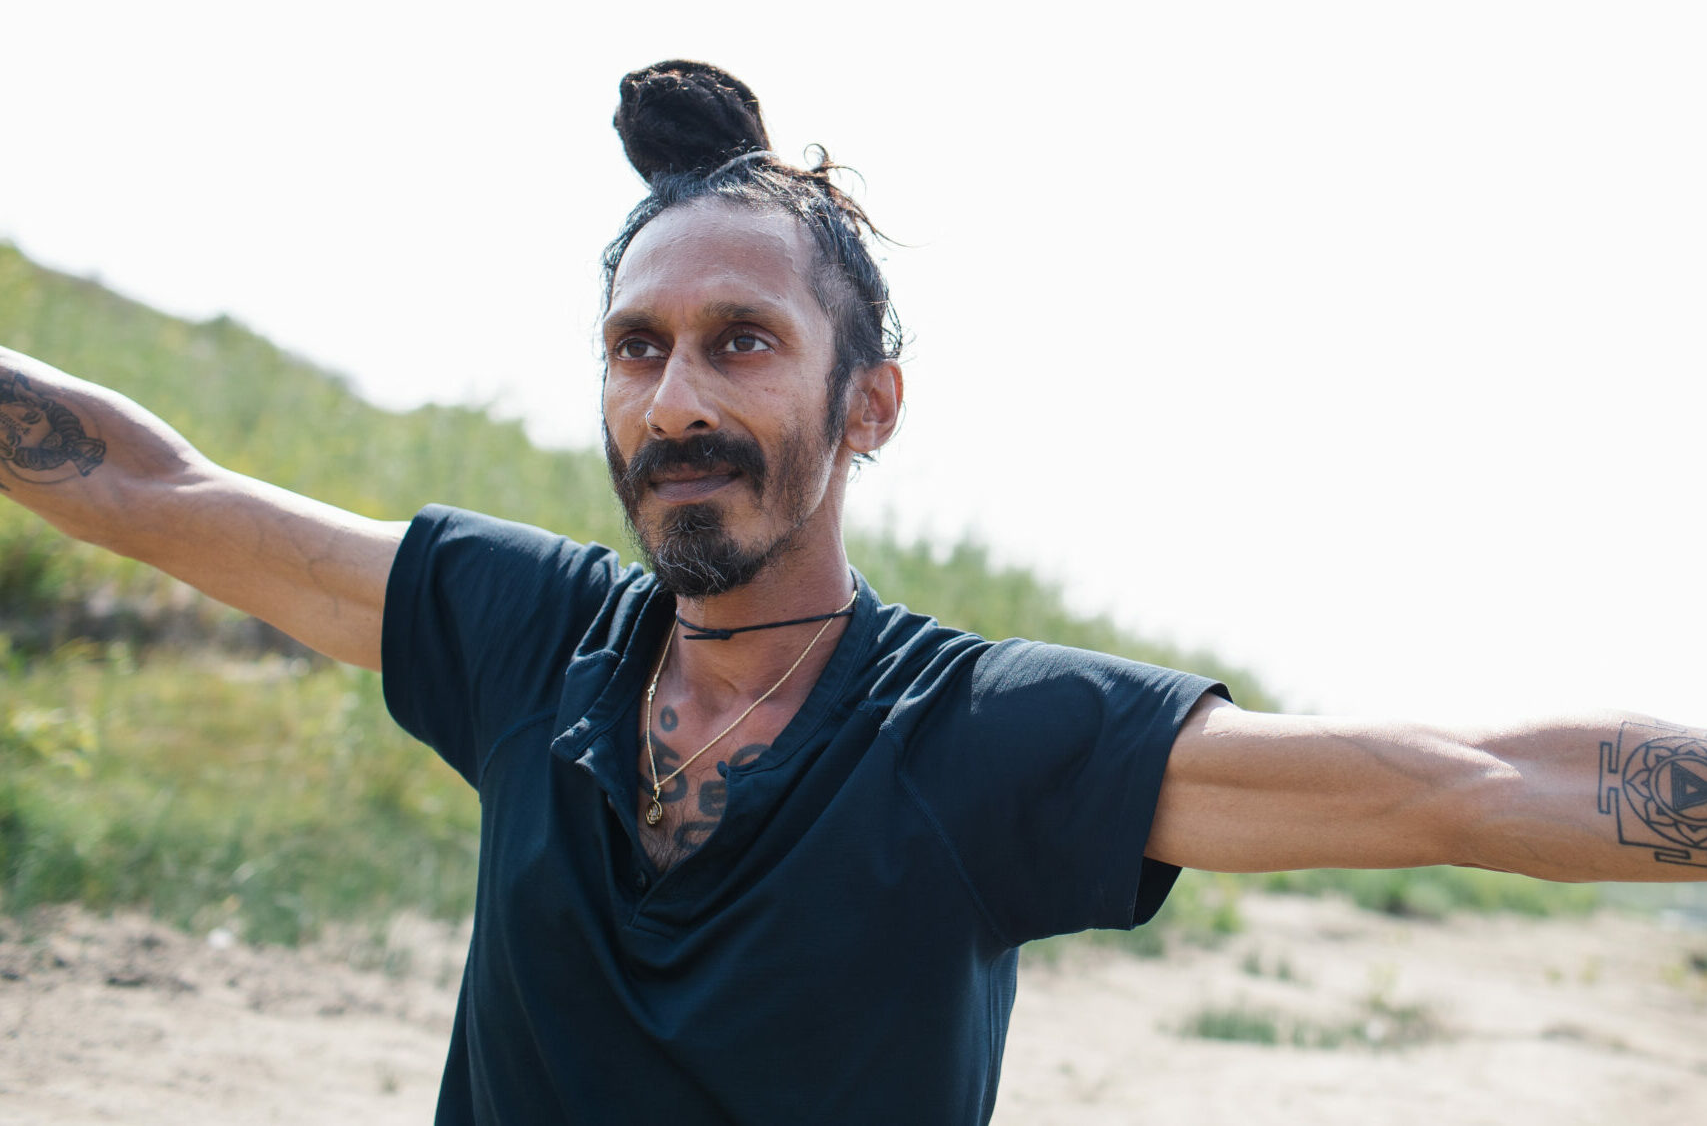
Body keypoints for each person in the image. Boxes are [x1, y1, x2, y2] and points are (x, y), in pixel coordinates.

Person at [2, 57, 1703, 1125]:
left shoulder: (980, 739)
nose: (676, 401)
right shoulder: (523, 639)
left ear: (867, 404)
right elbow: (163, 492)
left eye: (741, 342)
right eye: (637, 349)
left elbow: (1453, 785)